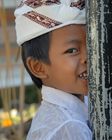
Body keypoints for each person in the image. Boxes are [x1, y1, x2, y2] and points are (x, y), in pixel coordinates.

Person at [15, 0, 92, 139]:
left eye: (91, 46)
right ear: (38, 67)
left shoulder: (68, 113)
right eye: (72, 50)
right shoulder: (69, 127)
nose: (88, 57)